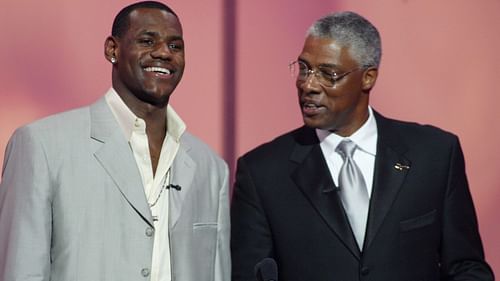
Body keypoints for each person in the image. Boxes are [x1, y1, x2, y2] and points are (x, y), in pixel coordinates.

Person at [230, 11, 494, 281]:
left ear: (368, 78)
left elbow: (467, 268)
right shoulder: (261, 173)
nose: (308, 85)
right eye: (304, 69)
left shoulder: (435, 155)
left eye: (328, 74)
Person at [0, 1, 230, 281]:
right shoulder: (42, 146)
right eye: (147, 41)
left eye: (175, 46)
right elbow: (21, 271)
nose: (163, 53)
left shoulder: (211, 168)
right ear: (112, 49)